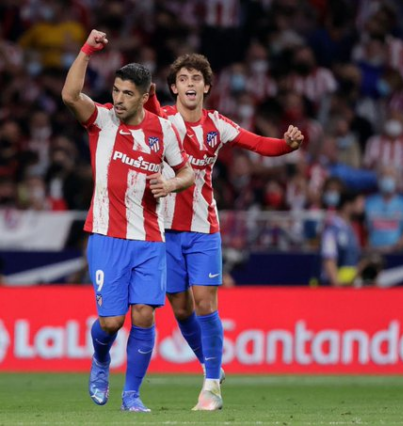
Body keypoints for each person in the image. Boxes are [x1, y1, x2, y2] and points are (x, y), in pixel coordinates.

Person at [144, 53, 303, 410]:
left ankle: (212, 385)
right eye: (183, 78)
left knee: (204, 304)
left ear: (206, 88)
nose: (189, 83)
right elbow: (148, 109)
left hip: (203, 229)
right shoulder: (163, 120)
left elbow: (259, 144)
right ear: (174, 87)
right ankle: (210, 364)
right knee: (180, 307)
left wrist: (287, 145)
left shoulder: (218, 125)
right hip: (165, 229)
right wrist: (149, 96)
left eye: (196, 79)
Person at [61, 30, 195, 412]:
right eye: (116, 90)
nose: (118, 99)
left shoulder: (162, 129)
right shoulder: (101, 120)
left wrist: (170, 183)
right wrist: (87, 49)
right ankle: (101, 359)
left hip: (150, 238)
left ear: (143, 94)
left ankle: (131, 395)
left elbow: (187, 173)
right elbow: (70, 96)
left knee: (143, 314)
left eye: (127, 93)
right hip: (106, 236)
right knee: (110, 323)